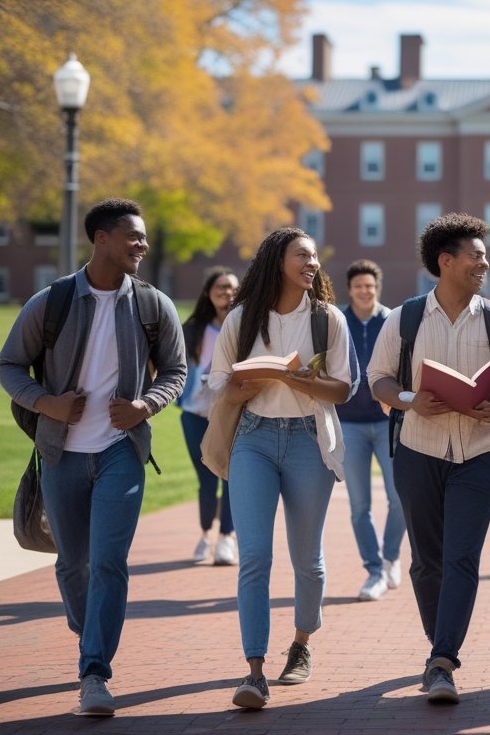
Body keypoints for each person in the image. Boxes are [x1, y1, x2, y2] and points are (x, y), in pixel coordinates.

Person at [0, 198, 186, 717]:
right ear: (101, 239)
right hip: (61, 455)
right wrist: (47, 402)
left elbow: (176, 371)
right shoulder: (51, 302)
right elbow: (8, 365)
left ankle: (95, 672)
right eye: (133, 236)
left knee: (108, 563)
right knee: (73, 564)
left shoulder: (153, 305)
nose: (141, 245)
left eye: (144, 237)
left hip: (122, 452)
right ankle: (91, 632)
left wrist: (146, 404)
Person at [368, 213, 490, 704]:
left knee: (462, 558)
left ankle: (442, 659)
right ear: (446, 261)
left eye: (485, 256)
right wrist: (412, 399)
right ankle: (440, 643)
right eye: (476, 256)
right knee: (426, 563)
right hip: (418, 451)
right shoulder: (406, 317)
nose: (485, 263)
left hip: (479, 453)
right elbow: (378, 380)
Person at [207, 227, 353, 710]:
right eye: (302, 256)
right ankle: (253, 672)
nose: (311, 264)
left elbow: (344, 390)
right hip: (254, 439)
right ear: (276, 261)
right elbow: (222, 387)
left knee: (307, 557)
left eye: (314, 257)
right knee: (254, 557)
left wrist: (306, 383)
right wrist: (245, 387)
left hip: (309, 441)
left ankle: (302, 644)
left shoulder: (327, 319)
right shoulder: (242, 319)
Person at [338, 259, 404, 602]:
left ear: (377, 288)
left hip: (387, 422)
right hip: (348, 423)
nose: (365, 291)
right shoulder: (337, 321)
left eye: (371, 286)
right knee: (359, 504)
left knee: (400, 498)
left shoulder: (391, 320)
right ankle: (374, 569)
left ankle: (391, 556)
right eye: (359, 286)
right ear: (350, 289)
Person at [178, 267, 240, 566]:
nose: (227, 292)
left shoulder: (245, 326)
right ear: (209, 292)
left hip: (231, 414)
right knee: (205, 478)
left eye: (232, 288)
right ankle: (205, 534)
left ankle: (227, 538)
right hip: (195, 413)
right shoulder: (193, 329)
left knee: (230, 476)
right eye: (221, 287)